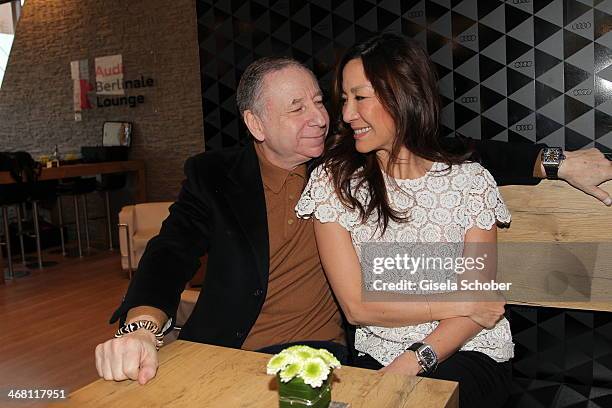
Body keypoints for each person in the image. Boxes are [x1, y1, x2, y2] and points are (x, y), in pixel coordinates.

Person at [95, 54, 612, 387]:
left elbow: (449, 150)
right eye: (296, 108)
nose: (321, 117)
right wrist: (142, 327)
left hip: (318, 356)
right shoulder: (213, 175)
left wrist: (557, 160)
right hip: (227, 350)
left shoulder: (343, 163)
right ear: (255, 123)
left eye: (321, 101)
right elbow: (169, 252)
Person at [295, 33, 524, 407]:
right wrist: (459, 303)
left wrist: (415, 359)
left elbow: (478, 312)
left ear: (402, 94)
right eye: (344, 100)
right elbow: (357, 307)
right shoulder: (334, 183)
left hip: (468, 349)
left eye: (360, 97)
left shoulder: (470, 183)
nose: (348, 114)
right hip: (378, 353)